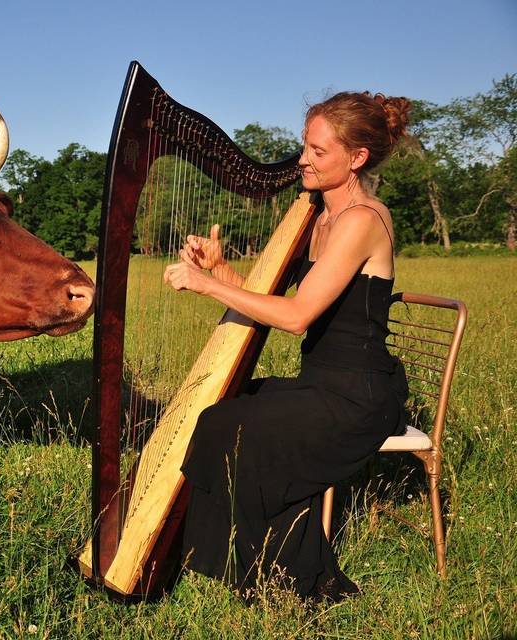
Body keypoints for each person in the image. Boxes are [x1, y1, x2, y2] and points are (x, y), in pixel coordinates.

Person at [162, 91, 413, 602]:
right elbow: (281, 302)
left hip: (358, 396)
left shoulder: (362, 220)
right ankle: (232, 557)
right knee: (225, 408)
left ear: (356, 158)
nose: (303, 159)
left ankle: (286, 575)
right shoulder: (316, 215)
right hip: (321, 383)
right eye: (305, 146)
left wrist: (206, 286)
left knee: (231, 424)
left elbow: (297, 318)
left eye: (319, 152)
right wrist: (221, 269)